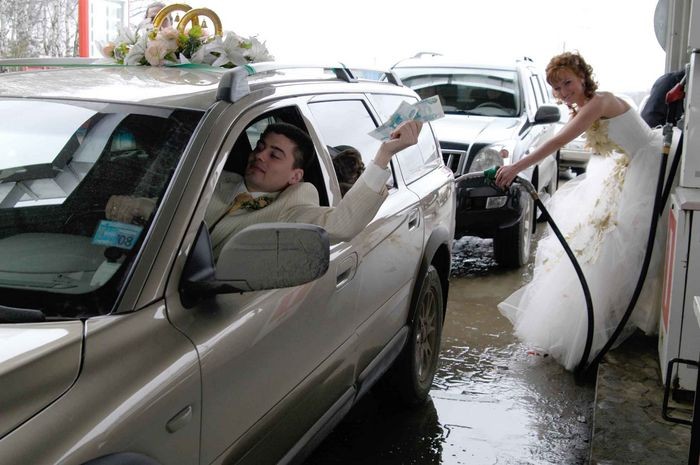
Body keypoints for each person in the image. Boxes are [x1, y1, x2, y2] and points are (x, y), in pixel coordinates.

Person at [494, 52, 666, 371]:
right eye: (557, 88)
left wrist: (519, 165)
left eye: (567, 82)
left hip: (646, 169)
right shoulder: (584, 107)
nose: (563, 91)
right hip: (625, 169)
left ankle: (604, 323)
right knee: (592, 242)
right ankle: (590, 322)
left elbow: (562, 139)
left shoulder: (601, 102)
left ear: (583, 77)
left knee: (618, 246)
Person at [107, 120, 422, 258]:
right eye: (260, 147)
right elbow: (171, 209)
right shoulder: (216, 180)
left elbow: (343, 224)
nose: (259, 155)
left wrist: (384, 155)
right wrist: (124, 207)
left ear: (295, 175)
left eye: (275, 154)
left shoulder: (294, 204)